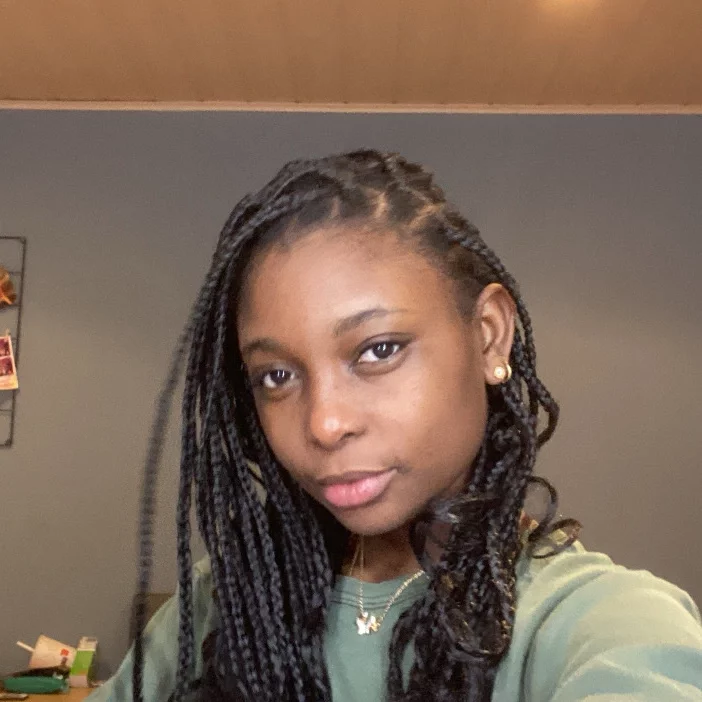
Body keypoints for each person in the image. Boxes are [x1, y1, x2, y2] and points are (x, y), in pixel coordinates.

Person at [88, 150, 702, 702]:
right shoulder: (231, 596)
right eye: (276, 376)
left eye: (378, 350)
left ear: (490, 335)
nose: (325, 423)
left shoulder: (602, 619)